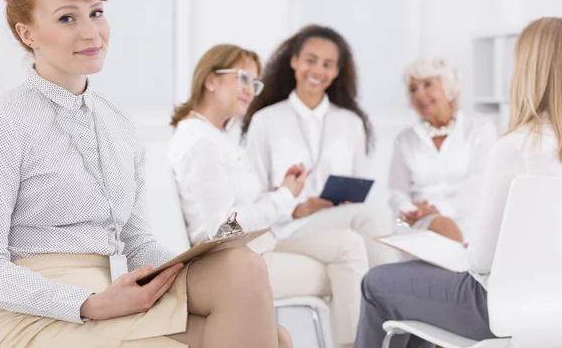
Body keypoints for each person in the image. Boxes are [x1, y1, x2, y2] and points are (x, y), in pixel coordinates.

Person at [0, 0, 291, 348]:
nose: (91, 33)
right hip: (37, 318)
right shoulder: (3, 122)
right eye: (67, 18)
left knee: (244, 272)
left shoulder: (118, 125)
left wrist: (190, 259)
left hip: (110, 300)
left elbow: (139, 244)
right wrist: (89, 303)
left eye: (96, 13)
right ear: (28, 33)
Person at [354, 17, 562, 347]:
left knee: (375, 282)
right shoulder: (407, 140)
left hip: (496, 307)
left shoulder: (512, 146)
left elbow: (481, 262)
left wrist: (469, 248)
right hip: (553, 310)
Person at [168, 43, 369, 348]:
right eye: (242, 78)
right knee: (351, 267)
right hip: (237, 263)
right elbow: (218, 228)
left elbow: (237, 206)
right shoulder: (201, 142)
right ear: (210, 80)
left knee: (351, 248)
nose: (251, 89)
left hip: (259, 246)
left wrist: (281, 191)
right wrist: (285, 197)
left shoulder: (216, 136)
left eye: (255, 82)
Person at [243, 24, 393, 268]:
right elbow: (254, 194)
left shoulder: (351, 123)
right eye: (310, 60)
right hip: (286, 227)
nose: (317, 70)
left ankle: (381, 299)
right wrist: (295, 209)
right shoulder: (265, 121)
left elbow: (360, 187)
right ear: (294, 61)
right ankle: (391, 296)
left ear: (337, 72)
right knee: (371, 217)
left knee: (368, 218)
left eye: (327, 64)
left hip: (338, 222)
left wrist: (345, 202)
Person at [389, 58, 496, 243]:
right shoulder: (405, 139)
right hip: (421, 222)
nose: (419, 94)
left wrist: (441, 210)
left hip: (469, 220)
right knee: (439, 226)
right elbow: (397, 191)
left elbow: (479, 182)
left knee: (444, 227)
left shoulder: (480, 130)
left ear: (450, 89)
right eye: (413, 89)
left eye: (427, 85)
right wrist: (416, 212)